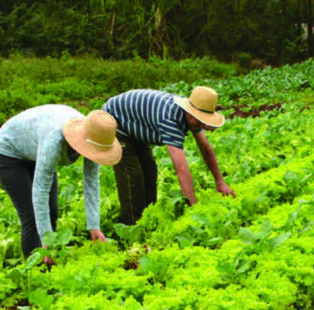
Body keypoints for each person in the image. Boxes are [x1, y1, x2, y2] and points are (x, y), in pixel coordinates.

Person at [0, 106, 122, 262]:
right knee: (30, 214)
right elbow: (40, 190)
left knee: (52, 210)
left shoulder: (96, 136)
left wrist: (94, 226)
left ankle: (50, 259)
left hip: (34, 148)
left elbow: (91, 182)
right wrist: (46, 240)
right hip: (9, 152)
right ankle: (33, 270)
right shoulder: (55, 139)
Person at [102, 86, 235, 225]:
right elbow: (181, 170)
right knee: (132, 175)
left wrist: (220, 181)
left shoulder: (193, 117)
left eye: (204, 121)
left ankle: (148, 218)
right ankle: (132, 225)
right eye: (200, 120)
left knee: (150, 170)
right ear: (190, 113)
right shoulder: (170, 119)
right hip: (115, 120)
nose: (202, 125)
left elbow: (205, 148)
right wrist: (194, 208)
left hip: (135, 123)